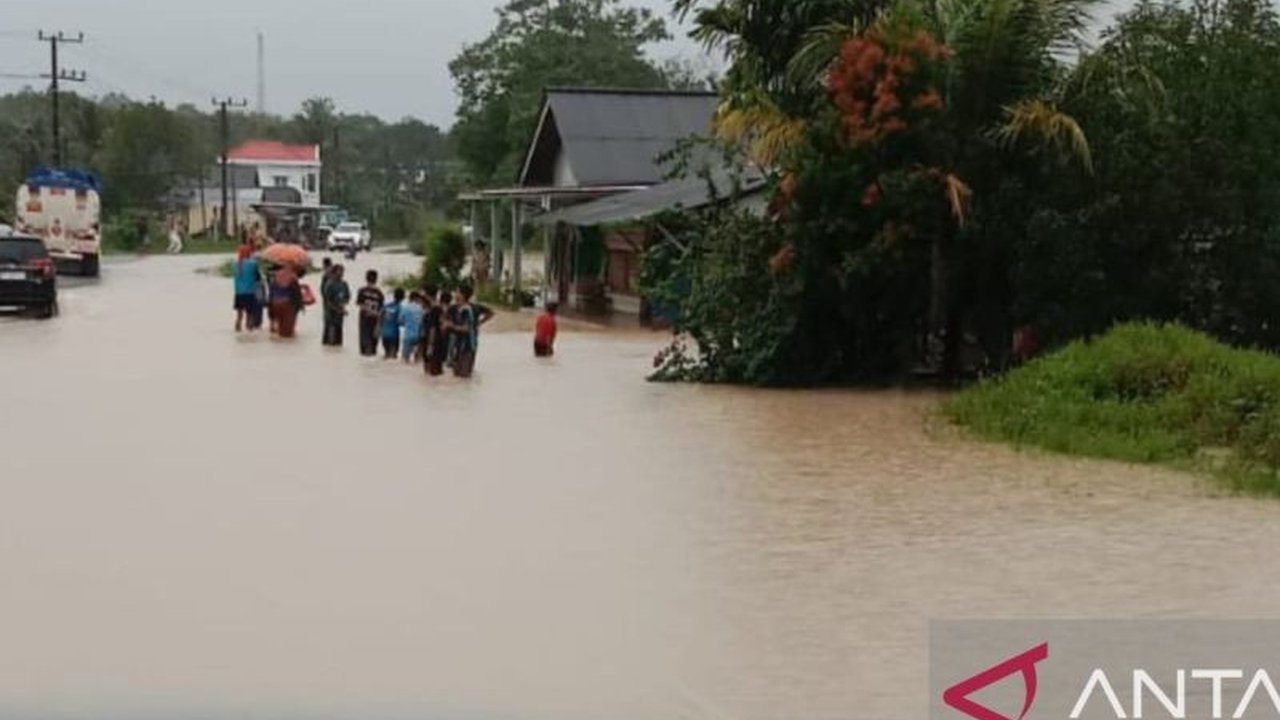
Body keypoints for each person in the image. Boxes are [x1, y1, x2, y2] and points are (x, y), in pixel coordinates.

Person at [452, 285, 494, 378]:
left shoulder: (472, 308)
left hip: (468, 344)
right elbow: (490, 313)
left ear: (463, 295)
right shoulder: (455, 308)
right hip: (458, 344)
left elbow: (491, 313)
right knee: (457, 374)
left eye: (457, 292)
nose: (455, 295)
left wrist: (479, 322)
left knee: (464, 374)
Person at [269, 264, 303, 338]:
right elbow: (297, 293)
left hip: (275, 304)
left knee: (280, 329)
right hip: (287, 304)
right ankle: (287, 348)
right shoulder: (292, 277)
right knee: (288, 332)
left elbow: (271, 292)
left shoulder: (276, 276)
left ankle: (279, 347)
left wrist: (270, 307)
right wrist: (300, 305)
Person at [356, 270, 385, 357]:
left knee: (365, 343)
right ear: (376, 279)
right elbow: (382, 309)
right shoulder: (379, 293)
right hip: (375, 319)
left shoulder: (362, 291)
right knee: (373, 343)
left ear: (366, 278)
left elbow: (360, 304)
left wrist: (369, 311)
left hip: (365, 319)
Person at [322, 264, 351, 347]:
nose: (342, 274)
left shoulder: (344, 284)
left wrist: (343, 305)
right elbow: (327, 300)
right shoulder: (329, 285)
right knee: (330, 339)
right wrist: (337, 309)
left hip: (340, 314)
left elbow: (347, 297)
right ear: (334, 273)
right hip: (330, 314)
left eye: (342, 271)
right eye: (340, 271)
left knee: (339, 338)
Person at [232, 249, 260, 333]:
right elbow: (257, 277)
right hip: (250, 293)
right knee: (250, 314)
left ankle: (238, 330)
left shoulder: (235, 264)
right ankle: (249, 332)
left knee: (239, 316)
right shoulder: (253, 264)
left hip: (239, 294)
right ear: (249, 253)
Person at [426, 290, 451, 376]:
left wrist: (430, 345)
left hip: (436, 341)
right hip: (444, 342)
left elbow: (432, 328)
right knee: (439, 367)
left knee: (432, 370)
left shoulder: (435, 309)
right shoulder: (451, 310)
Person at [399, 291, 426, 364]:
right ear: (417, 298)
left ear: (410, 298)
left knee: (405, 360)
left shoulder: (405, 307)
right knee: (418, 361)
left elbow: (400, 321)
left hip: (408, 336)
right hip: (419, 336)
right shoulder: (422, 309)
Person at [381, 288, 405, 360]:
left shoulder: (386, 306)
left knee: (386, 355)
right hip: (394, 335)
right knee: (393, 357)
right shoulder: (400, 307)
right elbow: (400, 321)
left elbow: (381, 317)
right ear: (403, 298)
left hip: (384, 333)